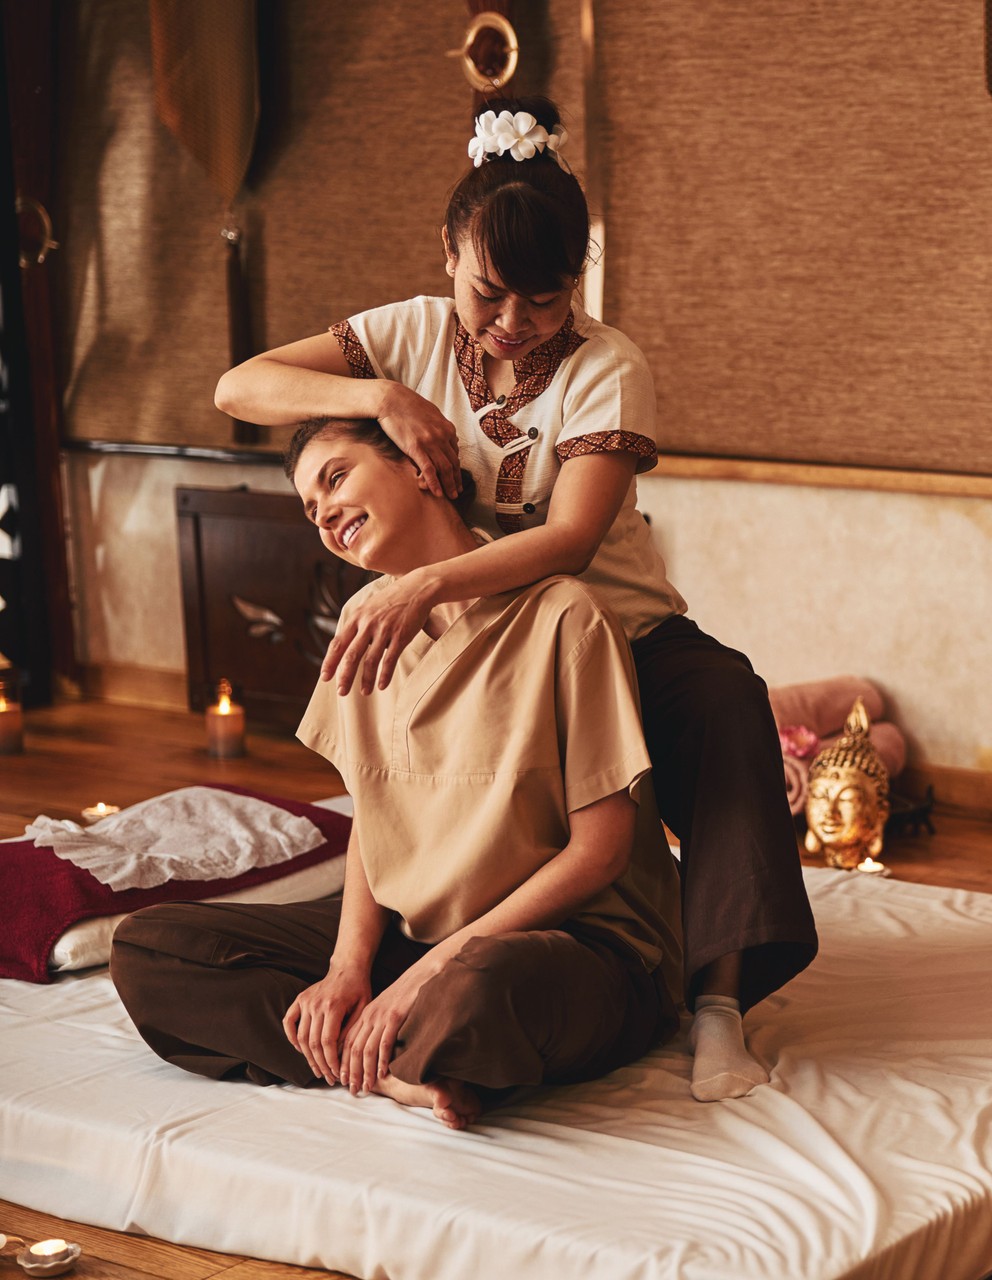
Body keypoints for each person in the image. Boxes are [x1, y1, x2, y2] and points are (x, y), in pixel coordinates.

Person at [214, 96, 814, 1101]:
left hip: (609, 626)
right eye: (489, 294)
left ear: (576, 284)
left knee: (724, 699)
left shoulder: (604, 365)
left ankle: (715, 998)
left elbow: (571, 541)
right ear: (450, 251)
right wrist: (376, 397)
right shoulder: (405, 336)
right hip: (476, 633)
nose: (511, 325)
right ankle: (406, 987)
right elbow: (240, 385)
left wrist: (421, 585)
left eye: (543, 300)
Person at [112, 418, 683, 1130]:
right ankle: (395, 1071)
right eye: (310, 509)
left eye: (335, 478)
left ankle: (396, 1042)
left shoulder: (564, 614)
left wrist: (424, 976)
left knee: (482, 992)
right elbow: (373, 820)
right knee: (148, 949)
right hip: (415, 932)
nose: (324, 514)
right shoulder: (360, 623)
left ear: (418, 468)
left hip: (573, 948)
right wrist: (349, 969)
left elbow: (599, 854)